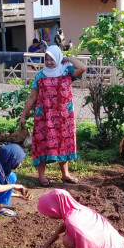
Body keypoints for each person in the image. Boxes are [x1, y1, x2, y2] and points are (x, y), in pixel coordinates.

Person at [19, 45, 86, 186]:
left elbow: (83, 67)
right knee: (43, 143)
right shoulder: (40, 75)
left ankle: (65, 174)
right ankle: (41, 175)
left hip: (64, 117)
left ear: (58, 58)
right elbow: (32, 97)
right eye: (47, 59)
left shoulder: (67, 71)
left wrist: (66, 58)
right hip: (45, 117)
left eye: (52, 59)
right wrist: (23, 115)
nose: (49, 62)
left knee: (64, 142)